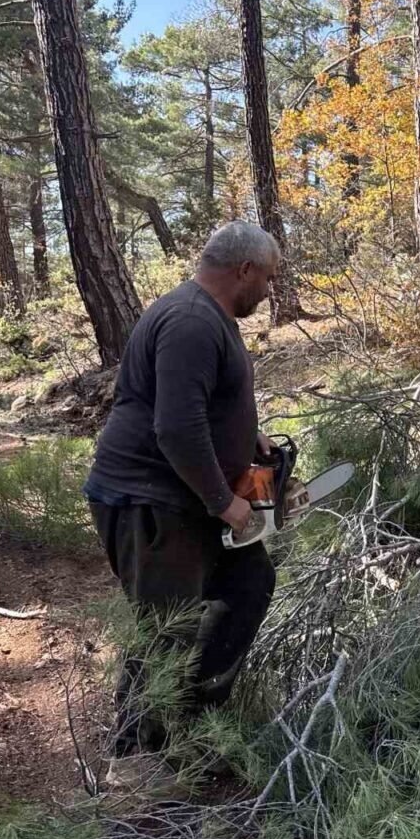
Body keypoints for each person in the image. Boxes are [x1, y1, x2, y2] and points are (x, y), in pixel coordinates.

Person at [84, 220, 280, 789]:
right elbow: (174, 427)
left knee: (249, 583)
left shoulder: (208, 317)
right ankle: (133, 758)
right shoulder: (192, 320)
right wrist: (224, 502)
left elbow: (197, 402)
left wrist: (247, 436)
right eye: (267, 278)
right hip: (151, 501)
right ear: (244, 269)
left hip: (182, 500)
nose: (269, 290)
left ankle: (192, 726)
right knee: (165, 627)